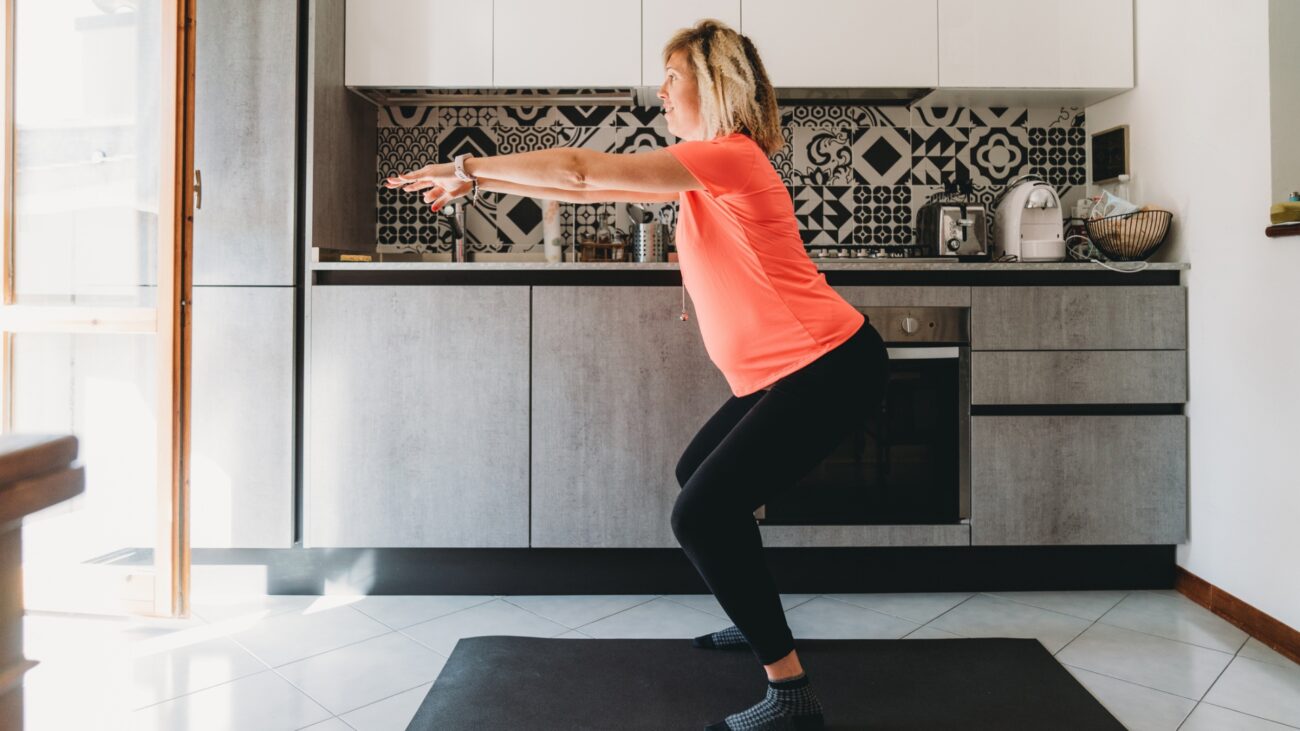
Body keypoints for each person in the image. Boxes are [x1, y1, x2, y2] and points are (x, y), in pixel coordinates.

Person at [385, 18, 889, 731]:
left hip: (827, 366)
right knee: (699, 479)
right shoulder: (706, 165)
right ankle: (757, 621)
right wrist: (475, 177)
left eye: (672, 75)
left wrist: (470, 169)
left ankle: (792, 694)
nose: (660, 90)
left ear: (711, 83)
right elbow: (587, 192)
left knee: (702, 513)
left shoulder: (729, 156)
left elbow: (581, 171)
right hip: (795, 370)